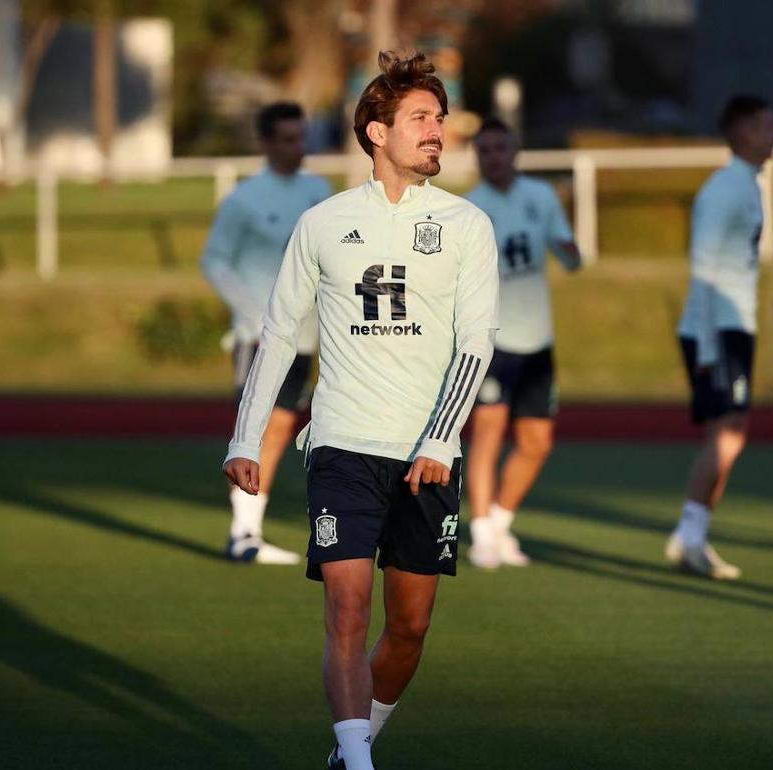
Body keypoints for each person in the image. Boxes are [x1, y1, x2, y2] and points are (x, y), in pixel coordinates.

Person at [223, 51, 498, 770]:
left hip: (428, 457)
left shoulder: (468, 225)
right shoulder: (322, 223)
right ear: (377, 132)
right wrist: (245, 437)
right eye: (420, 118)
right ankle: (360, 763)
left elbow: (475, 344)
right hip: (342, 443)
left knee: (409, 629)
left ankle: (353, 748)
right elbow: (279, 333)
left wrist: (441, 437)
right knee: (347, 610)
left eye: (439, 118)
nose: (436, 130)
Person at [201, 101, 332, 565]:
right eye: (288, 139)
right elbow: (215, 261)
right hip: (259, 336)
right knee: (258, 428)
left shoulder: (319, 191)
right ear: (266, 143)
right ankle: (242, 531)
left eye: (302, 137)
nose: (299, 148)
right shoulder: (244, 199)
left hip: (306, 336)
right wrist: (256, 316)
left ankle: (248, 529)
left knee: (280, 427)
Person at [667, 94, 773, 580]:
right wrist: (711, 348)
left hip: (735, 326)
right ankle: (689, 535)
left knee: (733, 435)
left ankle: (693, 534)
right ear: (745, 133)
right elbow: (705, 268)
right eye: (767, 126)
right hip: (715, 329)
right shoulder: (724, 189)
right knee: (726, 436)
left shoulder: (749, 184)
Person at [464, 117, 582, 569]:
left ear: (515, 152)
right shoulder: (469, 210)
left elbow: (569, 255)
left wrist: (569, 250)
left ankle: (499, 523)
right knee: (489, 433)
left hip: (537, 340)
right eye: (485, 150)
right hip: (493, 341)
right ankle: (481, 534)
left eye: (500, 148)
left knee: (536, 442)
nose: (493, 157)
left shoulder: (541, 197)